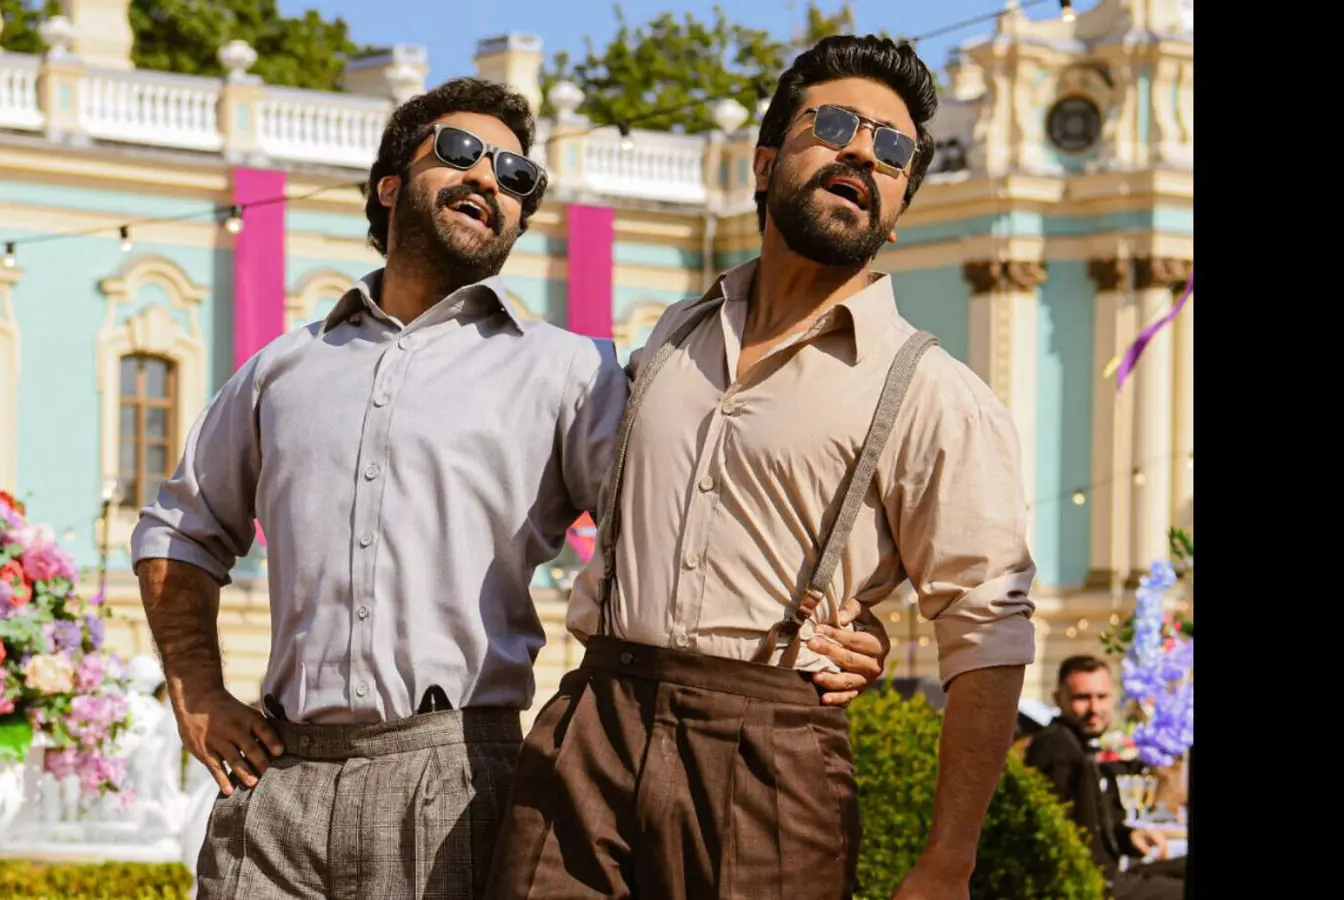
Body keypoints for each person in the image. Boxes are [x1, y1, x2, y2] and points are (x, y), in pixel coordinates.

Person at [131, 76, 892, 900]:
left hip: (453, 780)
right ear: (389, 185)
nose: (489, 179)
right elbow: (180, 529)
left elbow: (687, 530)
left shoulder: (570, 372)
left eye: (517, 176)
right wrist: (196, 690)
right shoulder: (282, 368)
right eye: (461, 151)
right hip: (278, 784)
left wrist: (838, 623)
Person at [487, 35, 1038, 900]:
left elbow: (988, 628)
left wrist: (948, 861)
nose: (864, 154)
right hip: (595, 723)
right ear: (764, 162)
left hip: (772, 758)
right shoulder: (671, 336)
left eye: (894, 151)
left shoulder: (936, 394)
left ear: (898, 209)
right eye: (836, 126)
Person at [1025, 656, 1186, 900]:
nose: (1094, 708)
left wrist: (1129, 835)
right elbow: (1052, 836)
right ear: (1057, 699)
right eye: (1082, 698)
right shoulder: (1057, 747)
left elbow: (1093, 825)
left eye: (1102, 697)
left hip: (1113, 875)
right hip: (1097, 885)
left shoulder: (1078, 745)